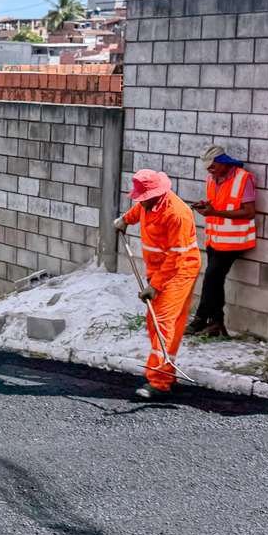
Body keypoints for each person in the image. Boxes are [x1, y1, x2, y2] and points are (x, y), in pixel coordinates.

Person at [114, 170, 201, 400]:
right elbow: (139, 211)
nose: (141, 202)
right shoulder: (147, 204)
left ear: (158, 194)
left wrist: (155, 286)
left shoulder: (177, 214)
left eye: (144, 198)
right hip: (159, 269)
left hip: (179, 271)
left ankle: (159, 382)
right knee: (162, 323)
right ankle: (167, 373)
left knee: (162, 323)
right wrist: (125, 220)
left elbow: (176, 257)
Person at [187, 145, 257, 338]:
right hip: (215, 239)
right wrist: (206, 206)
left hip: (234, 241)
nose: (210, 171)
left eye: (213, 166)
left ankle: (200, 319)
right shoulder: (211, 178)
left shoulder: (243, 178)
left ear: (224, 163)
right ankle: (217, 323)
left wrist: (215, 212)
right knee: (215, 281)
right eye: (207, 167)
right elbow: (218, 203)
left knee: (211, 278)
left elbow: (249, 212)